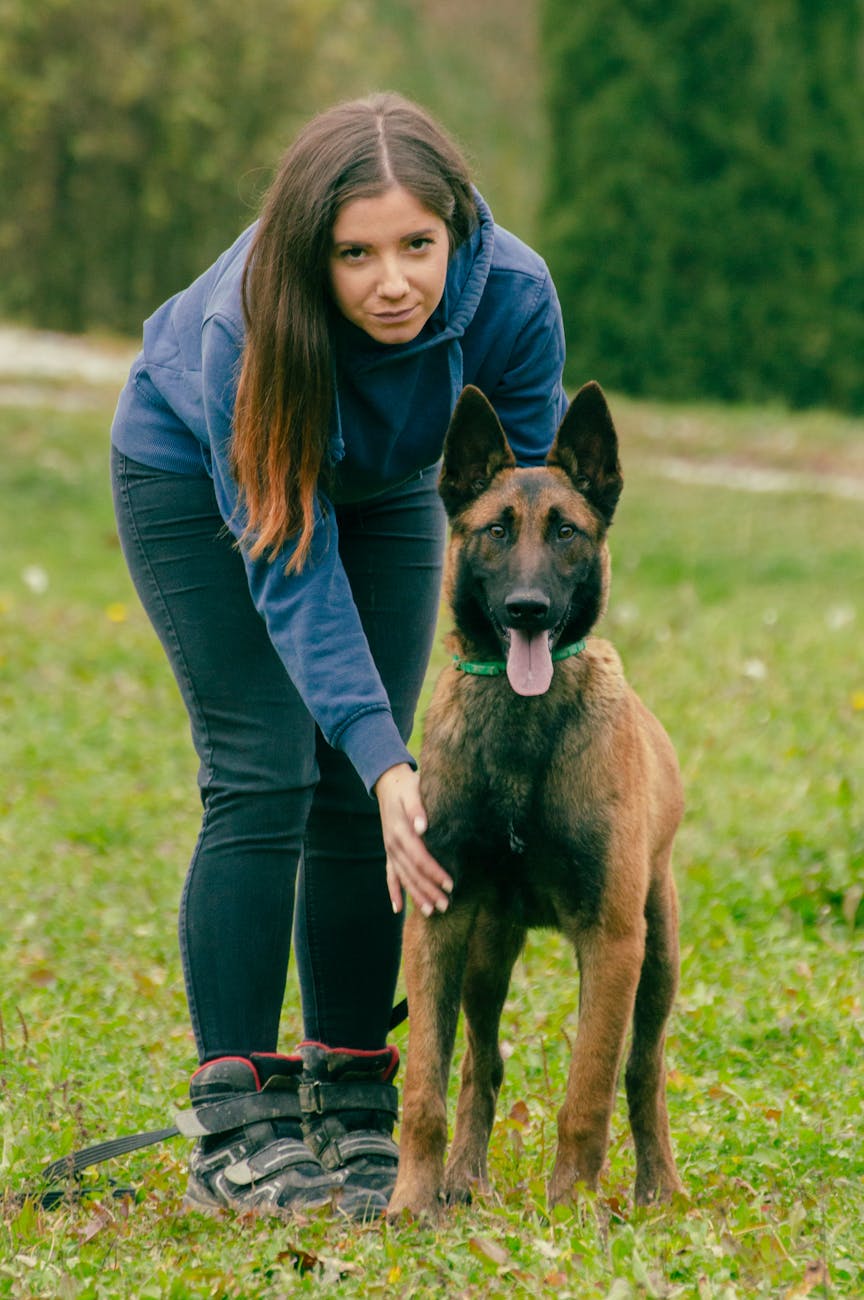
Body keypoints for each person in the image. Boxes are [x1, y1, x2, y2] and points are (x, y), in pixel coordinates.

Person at [110, 91, 568, 1220]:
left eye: (417, 245)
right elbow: (288, 563)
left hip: (391, 487)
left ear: (456, 228)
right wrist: (383, 752)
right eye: (355, 255)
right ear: (314, 251)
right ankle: (233, 1119)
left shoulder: (514, 298)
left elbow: (530, 502)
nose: (392, 281)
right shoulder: (249, 330)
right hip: (203, 478)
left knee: (362, 793)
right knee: (268, 768)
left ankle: (357, 1093)